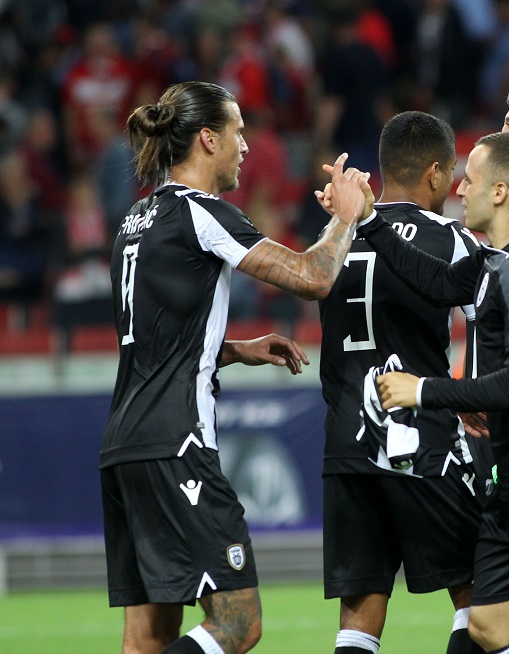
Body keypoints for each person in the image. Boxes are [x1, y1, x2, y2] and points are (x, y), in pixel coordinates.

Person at [320, 130, 509, 654]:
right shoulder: (497, 259)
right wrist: (367, 219)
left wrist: (425, 392)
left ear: (501, 192)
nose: (460, 188)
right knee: (489, 625)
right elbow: (436, 282)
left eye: (472, 180)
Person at [102, 81, 366, 654]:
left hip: (125, 444)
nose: (246, 146)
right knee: (237, 621)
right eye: (238, 133)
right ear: (207, 139)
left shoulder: (136, 220)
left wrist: (233, 349)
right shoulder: (201, 213)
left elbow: (152, 339)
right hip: (177, 441)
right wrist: (345, 218)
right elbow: (313, 277)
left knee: (148, 638)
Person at [317, 111, 485, 654]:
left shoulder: (334, 235)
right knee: (481, 595)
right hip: (420, 438)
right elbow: (487, 330)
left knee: (360, 614)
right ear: (435, 172)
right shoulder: (450, 238)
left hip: (346, 442)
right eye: (452, 173)